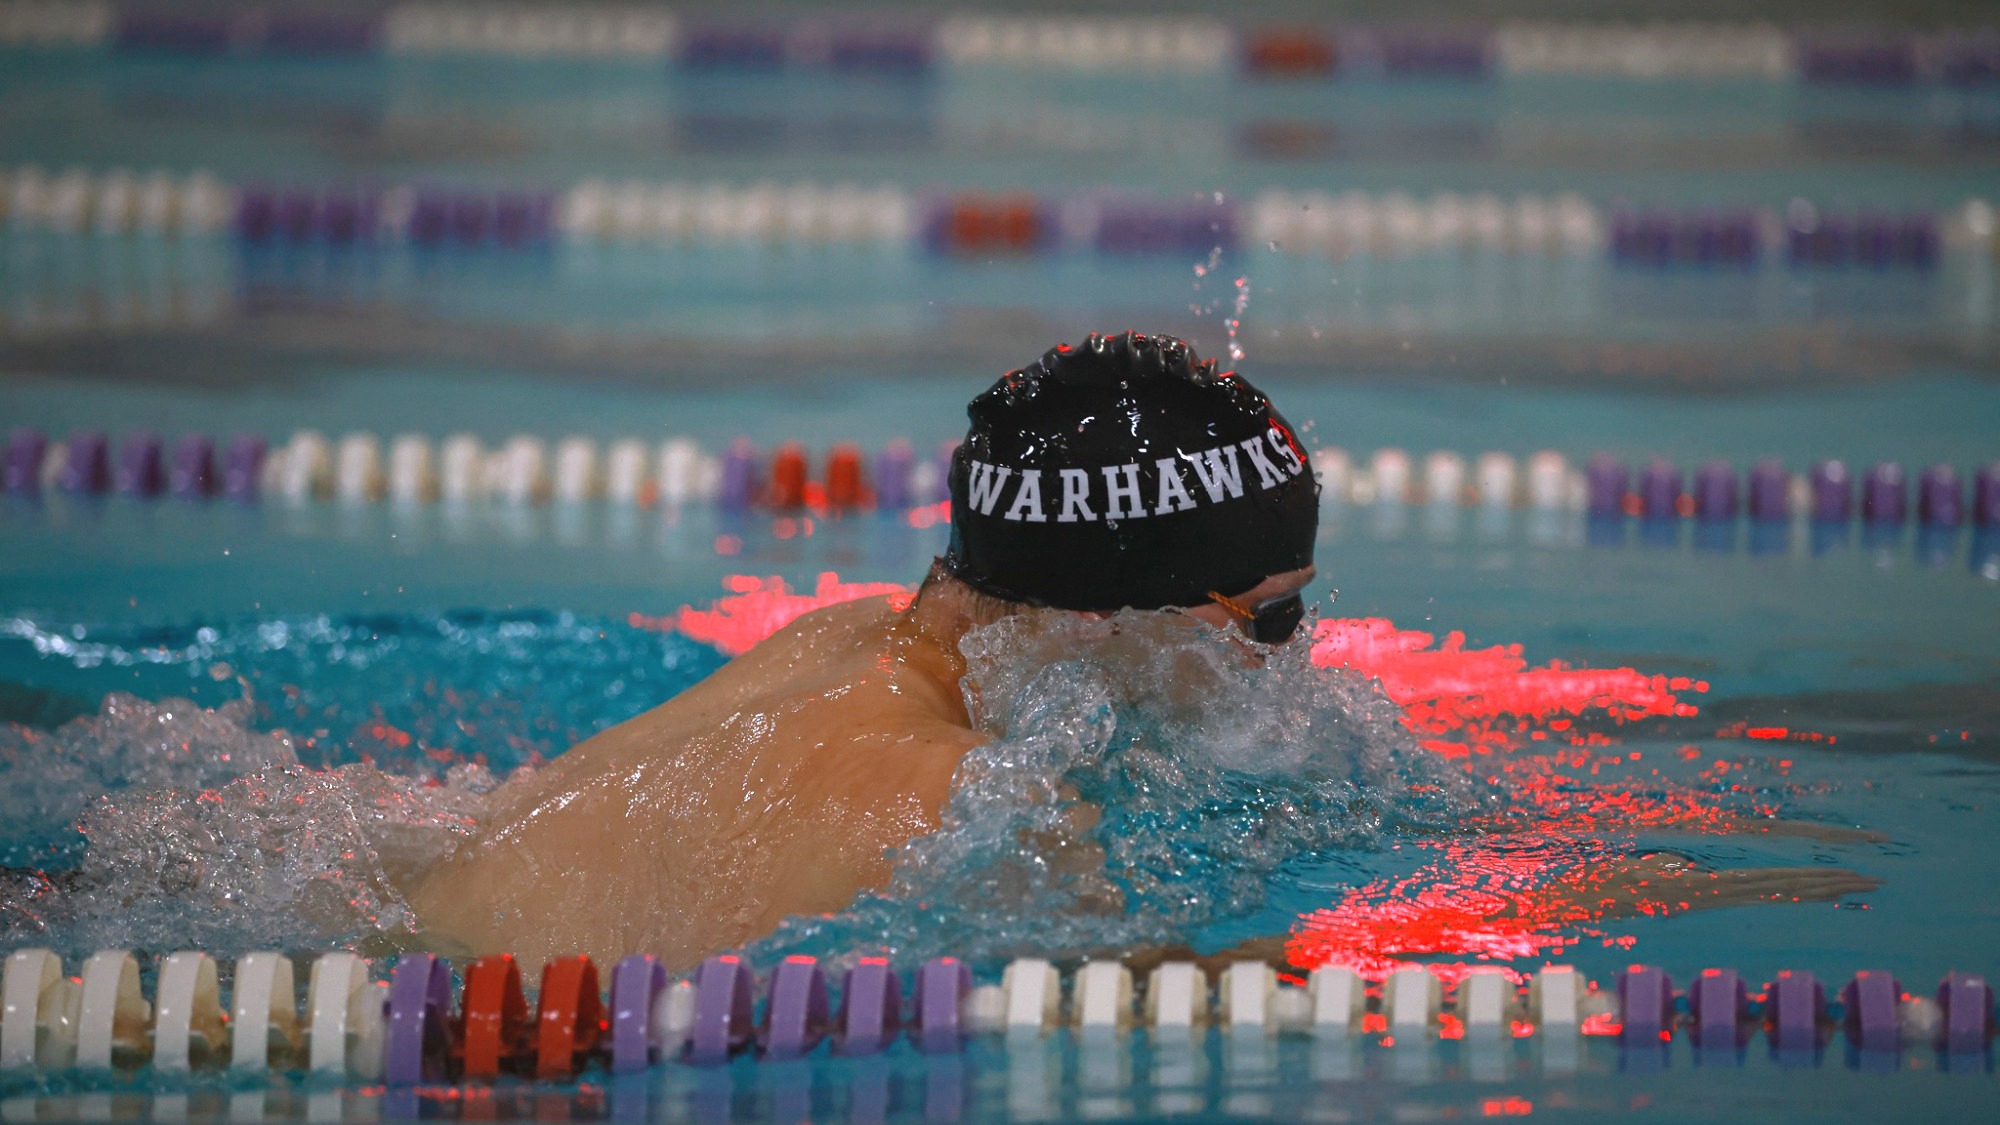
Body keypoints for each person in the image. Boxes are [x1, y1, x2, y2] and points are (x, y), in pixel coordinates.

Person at [407, 331, 1876, 972]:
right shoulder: (978, 807)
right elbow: (1197, 992)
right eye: (1269, 616)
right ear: (1118, 613)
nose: (1286, 663)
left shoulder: (839, 643)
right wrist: (1587, 902)